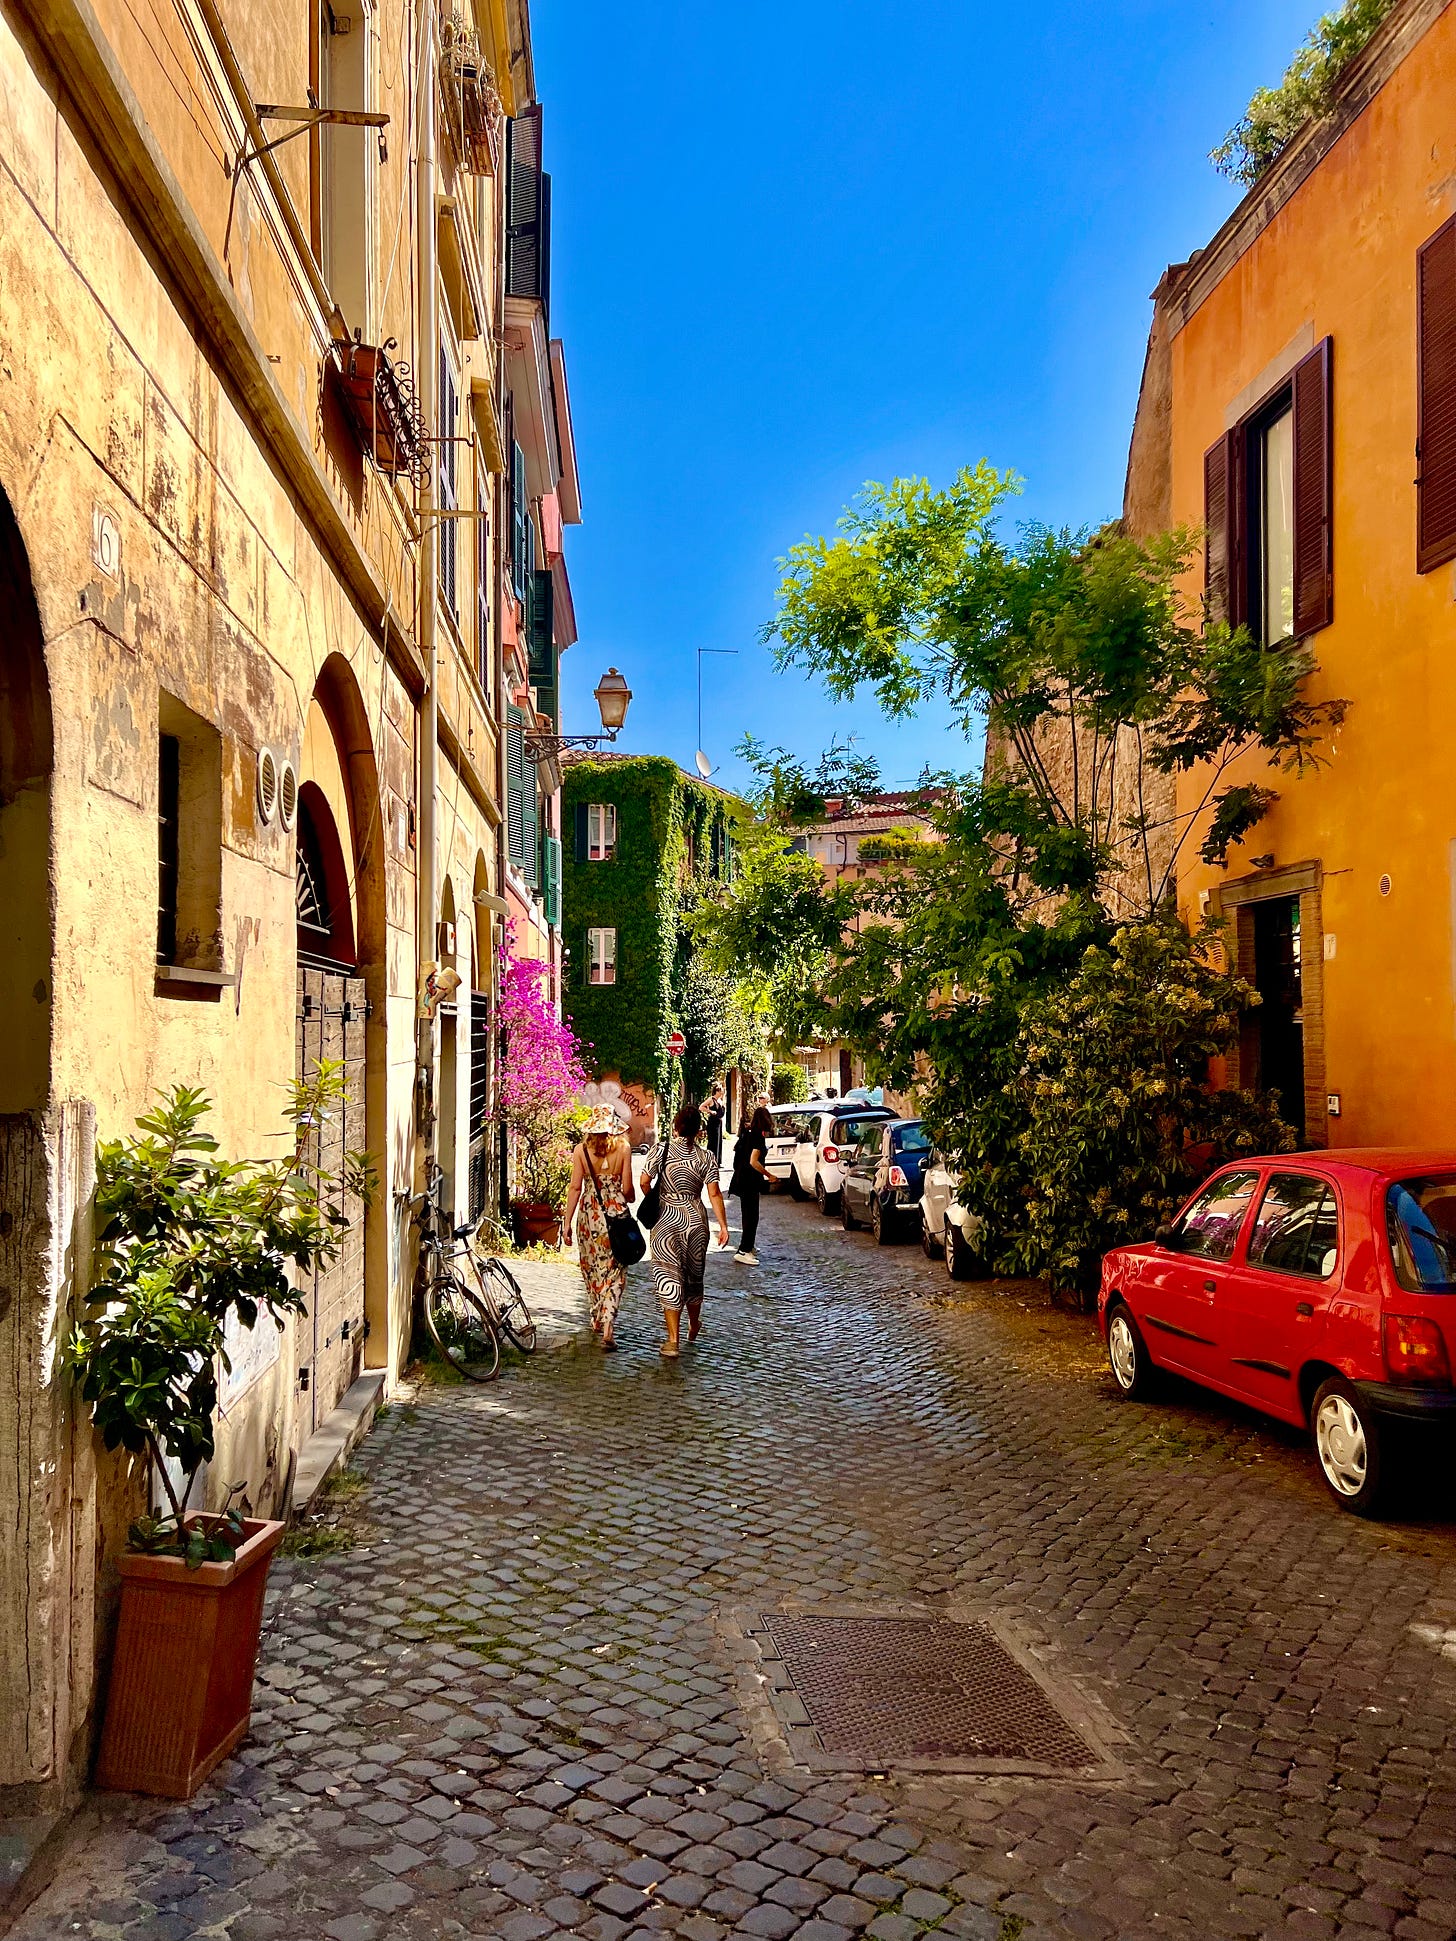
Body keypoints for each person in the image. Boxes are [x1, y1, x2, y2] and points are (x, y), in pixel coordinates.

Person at [640, 1102, 729, 1357]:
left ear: (676, 1127)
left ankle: (672, 1340)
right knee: (693, 1276)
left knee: (669, 1275)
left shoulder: (660, 1150)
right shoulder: (706, 1157)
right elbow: (714, 1193)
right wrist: (722, 1226)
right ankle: (694, 1323)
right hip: (695, 1220)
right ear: (699, 1131)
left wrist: (657, 1198)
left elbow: (644, 1180)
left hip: (665, 1218)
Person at [563, 1105, 637, 1351]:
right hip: (616, 1216)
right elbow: (628, 1190)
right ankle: (608, 1327)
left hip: (590, 1216)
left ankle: (597, 1316)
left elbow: (575, 1188)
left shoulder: (580, 1151)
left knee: (592, 1267)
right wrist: (624, 1193)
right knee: (616, 1269)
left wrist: (566, 1224)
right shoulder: (624, 1149)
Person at [730, 1105, 772, 1264]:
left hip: (742, 1179)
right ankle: (743, 1250)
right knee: (751, 1216)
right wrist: (769, 1175)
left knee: (749, 1215)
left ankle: (749, 1245)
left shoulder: (747, 1134)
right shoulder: (757, 1137)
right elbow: (753, 1161)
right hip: (749, 1181)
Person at [704, 1084, 726, 1164]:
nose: (722, 1093)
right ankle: (710, 1160)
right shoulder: (711, 1099)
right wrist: (710, 1111)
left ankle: (717, 1161)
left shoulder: (720, 1100)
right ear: (717, 1091)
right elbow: (701, 1107)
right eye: (721, 1091)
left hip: (718, 1122)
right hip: (712, 1122)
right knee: (713, 1141)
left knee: (719, 1141)